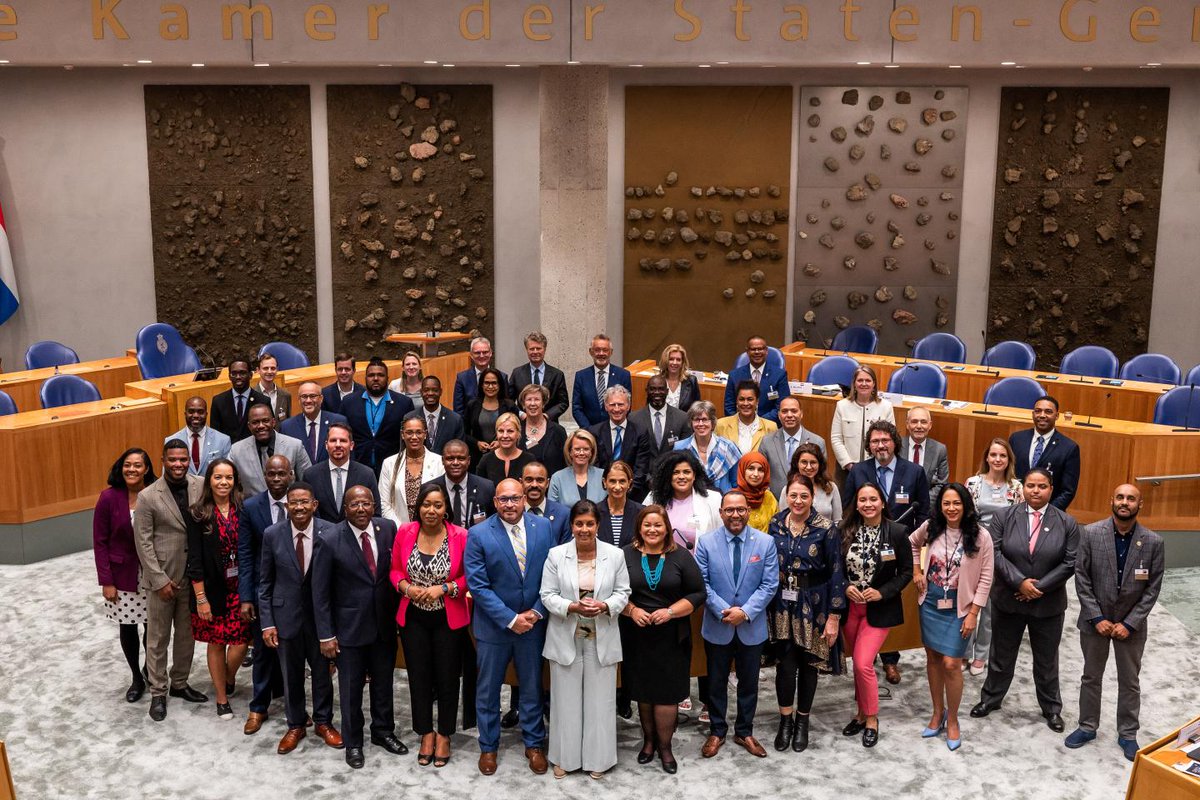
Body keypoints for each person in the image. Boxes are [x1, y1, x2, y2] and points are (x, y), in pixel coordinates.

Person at [971, 468, 1080, 733]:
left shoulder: (1067, 522)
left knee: (1046, 660)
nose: (1036, 490)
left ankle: (1051, 709)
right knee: (1001, 655)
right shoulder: (1004, 516)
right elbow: (994, 553)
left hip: (1047, 603)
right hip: (1009, 599)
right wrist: (1020, 582)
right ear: (1023, 488)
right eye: (1031, 485)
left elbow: (1070, 562)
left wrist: (1037, 587)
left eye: (1042, 486)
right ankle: (991, 699)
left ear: (1051, 489)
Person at [1065, 484, 1165, 761]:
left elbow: (1153, 588)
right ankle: (1087, 726)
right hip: (1095, 622)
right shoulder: (1091, 533)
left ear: (1139, 505)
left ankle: (1128, 733)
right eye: (1120, 497)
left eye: (1131, 499)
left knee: (1130, 681)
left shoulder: (1153, 542)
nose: (1124, 502)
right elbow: (1081, 577)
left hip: (1131, 627)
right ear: (1112, 500)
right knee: (1091, 676)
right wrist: (1096, 617)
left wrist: (1130, 623)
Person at [464, 478, 555, 776]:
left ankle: (534, 743)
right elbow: (478, 586)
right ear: (495, 502)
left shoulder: (543, 528)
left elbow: (552, 576)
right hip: (494, 628)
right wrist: (511, 619)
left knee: (532, 686)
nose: (510, 504)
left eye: (515, 498)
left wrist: (537, 613)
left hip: (533, 625)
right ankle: (489, 746)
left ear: (524, 499)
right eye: (503, 499)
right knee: (488, 690)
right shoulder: (478, 534)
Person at [312, 486, 407, 769]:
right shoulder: (329, 539)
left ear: (374, 505)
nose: (361, 509)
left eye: (366, 503)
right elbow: (320, 593)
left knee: (384, 683)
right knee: (351, 689)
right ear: (345, 508)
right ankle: (354, 742)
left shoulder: (387, 529)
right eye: (354, 504)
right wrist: (326, 634)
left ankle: (383, 731)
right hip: (348, 630)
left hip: (383, 625)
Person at [541, 499, 631, 779]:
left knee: (600, 701)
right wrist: (571, 606)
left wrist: (605, 606)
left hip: (601, 634)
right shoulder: (556, 555)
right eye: (579, 524)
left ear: (598, 525)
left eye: (590, 523)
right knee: (565, 701)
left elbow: (623, 592)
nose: (584, 529)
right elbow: (547, 595)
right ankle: (564, 758)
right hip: (565, 634)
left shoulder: (614, 555)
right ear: (571, 526)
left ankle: (598, 759)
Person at [258, 480, 343, 754]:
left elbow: (338, 582)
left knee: (322, 674)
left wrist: (334, 625)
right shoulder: (272, 534)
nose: (299, 507)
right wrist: (267, 622)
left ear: (314, 504)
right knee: (291, 675)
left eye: (304, 501)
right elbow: (265, 583)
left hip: (321, 620)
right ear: (286, 506)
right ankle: (295, 724)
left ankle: (323, 722)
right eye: (293, 502)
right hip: (286, 618)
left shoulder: (331, 532)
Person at [619, 505, 706, 773]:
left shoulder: (681, 555)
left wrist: (670, 612)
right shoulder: (625, 554)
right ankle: (648, 743)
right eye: (647, 525)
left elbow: (698, 593)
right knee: (644, 693)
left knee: (667, 694)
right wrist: (632, 610)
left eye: (658, 525)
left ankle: (665, 748)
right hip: (636, 635)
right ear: (639, 528)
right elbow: (612, 591)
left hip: (672, 636)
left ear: (667, 528)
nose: (652, 530)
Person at [390, 483, 471, 768]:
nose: (431, 510)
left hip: (448, 618)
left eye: (438, 505)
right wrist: (406, 588)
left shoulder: (461, 535)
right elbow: (394, 570)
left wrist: (445, 588)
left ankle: (445, 734)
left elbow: (469, 576)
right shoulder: (405, 531)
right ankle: (425, 732)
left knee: (448, 677)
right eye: (426, 504)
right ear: (418, 507)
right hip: (413, 618)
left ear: (446, 508)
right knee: (418, 677)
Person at [909, 484, 995, 752]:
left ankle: (954, 719)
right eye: (946, 503)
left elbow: (986, 578)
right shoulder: (932, 527)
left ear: (966, 505)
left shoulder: (981, 536)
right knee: (933, 659)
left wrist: (973, 614)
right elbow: (912, 543)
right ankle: (938, 713)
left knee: (951, 663)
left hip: (961, 607)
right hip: (931, 602)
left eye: (957, 503)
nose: (951, 508)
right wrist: (917, 571)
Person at [696, 490, 779, 759]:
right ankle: (717, 730)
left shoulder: (765, 543)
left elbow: (769, 585)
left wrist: (744, 612)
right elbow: (702, 584)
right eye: (729, 510)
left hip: (751, 627)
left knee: (749, 684)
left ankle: (744, 731)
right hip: (717, 625)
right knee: (715, 683)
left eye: (740, 509)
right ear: (721, 513)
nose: (735, 515)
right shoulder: (706, 543)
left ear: (748, 512)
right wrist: (724, 611)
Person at [767, 473, 845, 753]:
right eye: (793, 495)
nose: (798, 501)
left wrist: (834, 617)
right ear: (786, 496)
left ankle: (802, 721)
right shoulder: (776, 524)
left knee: (809, 665)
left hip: (815, 604)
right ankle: (785, 720)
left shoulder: (826, 529)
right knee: (785, 666)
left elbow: (837, 572)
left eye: (804, 496)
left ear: (813, 498)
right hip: (782, 604)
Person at [133, 439, 206, 722]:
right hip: (162, 579)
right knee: (158, 638)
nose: (178, 464)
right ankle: (158, 692)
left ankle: (180, 683)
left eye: (183, 459)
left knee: (187, 636)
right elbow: (143, 542)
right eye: (173, 459)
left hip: (192, 577)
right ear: (163, 460)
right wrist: (159, 579)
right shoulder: (148, 496)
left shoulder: (200, 485)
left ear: (189, 460)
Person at [838, 482, 912, 747]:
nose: (867, 504)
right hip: (850, 609)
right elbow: (834, 568)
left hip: (879, 609)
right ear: (856, 504)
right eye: (862, 500)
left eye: (873, 499)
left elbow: (906, 572)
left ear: (882, 502)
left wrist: (882, 592)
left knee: (862, 664)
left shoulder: (897, 532)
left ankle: (871, 719)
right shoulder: (844, 530)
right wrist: (845, 586)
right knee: (859, 665)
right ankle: (860, 714)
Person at [185, 458, 250, 720]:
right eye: (218, 477)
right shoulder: (197, 513)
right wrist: (201, 599)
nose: (224, 482)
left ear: (235, 481)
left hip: (241, 587)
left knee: (241, 643)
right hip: (212, 590)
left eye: (229, 477)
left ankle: (228, 677)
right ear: (209, 480)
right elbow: (195, 560)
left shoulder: (244, 507)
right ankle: (222, 699)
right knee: (216, 643)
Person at [94, 447, 156, 703]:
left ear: (146, 469)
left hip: (153, 573)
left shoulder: (155, 493)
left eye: (137, 465)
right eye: (127, 465)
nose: (132, 469)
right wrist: (106, 581)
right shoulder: (108, 497)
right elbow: (100, 542)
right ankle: (136, 677)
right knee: (128, 626)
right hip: (122, 576)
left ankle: (150, 669)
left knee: (154, 626)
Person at [236, 455, 292, 735]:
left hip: (295, 593)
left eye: (282, 473)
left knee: (293, 653)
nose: (277, 479)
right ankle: (258, 707)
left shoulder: (300, 502)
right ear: (265, 476)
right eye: (272, 474)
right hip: (264, 592)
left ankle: (294, 708)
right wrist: (246, 597)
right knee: (262, 651)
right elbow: (245, 555)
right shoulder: (251, 507)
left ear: (291, 475)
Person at [963, 438, 1023, 675]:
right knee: (967, 601)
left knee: (989, 605)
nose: (998, 459)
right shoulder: (973, 483)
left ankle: (981, 654)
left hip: (1000, 550)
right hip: (973, 547)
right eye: (994, 455)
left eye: (1002, 456)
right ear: (987, 458)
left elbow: (1019, 522)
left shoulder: (1016, 488)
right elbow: (964, 516)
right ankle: (964, 651)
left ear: (1009, 460)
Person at [843, 420, 931, 532]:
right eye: (875, 441)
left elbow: (923, 513)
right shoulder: (857, 471)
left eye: (885, 440)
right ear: (869, 445)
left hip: (903, 536)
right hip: (865, 536)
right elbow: (848, 509)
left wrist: (915, 539)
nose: (880, 446)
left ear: (895, 442)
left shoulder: (915, 472)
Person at [341, 357, 415, 476]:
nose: (376, 378)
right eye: (371, 375)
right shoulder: (349, 402)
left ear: (387, 378)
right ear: (365, 378)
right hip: (357, 467)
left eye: (380, 375)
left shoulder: (404, 403)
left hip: (392, 468)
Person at [1010, 395, 1081, 510]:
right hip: (1015, 509)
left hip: (1049, 512)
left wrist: (1046, 513)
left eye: (1048, 412)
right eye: (1038, 411)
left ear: (1057, 416)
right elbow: (1007, 476)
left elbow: (1068, 491)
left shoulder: (1069, 448)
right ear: (1033, 414)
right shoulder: (1016, 439)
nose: (1042, 415)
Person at [303, 422, 381, 525]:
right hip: (322, 533)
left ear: (351, 445)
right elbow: (309, 512)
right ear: (326, 445)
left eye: (343, 441)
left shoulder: (366, 474)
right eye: (333, 440)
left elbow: (375, 513)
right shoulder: (311, 475)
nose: (338, 445)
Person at [228, 404, 311, 496]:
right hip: (253, 504)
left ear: (273, 422)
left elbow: (308, 481)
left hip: (287, 504)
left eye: (265, 421)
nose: (261, 426)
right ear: (249, 426)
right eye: (255, 422)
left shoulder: (295, 446)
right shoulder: (236, 451)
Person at [588, 385, 652, 498]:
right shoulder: (595, 432)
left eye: (621, 404)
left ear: (628, 406)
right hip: (601, 493)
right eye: (612, 405)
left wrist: (624, 492)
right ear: (606, 406)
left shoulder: (640, 432)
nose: (617, 409)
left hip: (632, 494)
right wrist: (607, 490)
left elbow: (641, 469)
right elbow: (595, 467)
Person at [379, 415, 445, 525]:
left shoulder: (439, 462)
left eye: (419, 432)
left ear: (425, 434)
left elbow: (443, 501)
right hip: (399, 528)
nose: (414, 437)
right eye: (409, 432)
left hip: (432, 527)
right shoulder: (389, 463)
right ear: (402, 434)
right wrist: (402, 529)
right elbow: (384, 503)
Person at [830, 365, 895, 475]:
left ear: (874, 384)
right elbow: (836, 438)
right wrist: (848, 464)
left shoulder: (886, 406)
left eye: (868, 380)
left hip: (877, 467)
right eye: (860, 380)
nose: (864, 384)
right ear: (854, 384)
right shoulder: (842, 406)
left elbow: (891, 439)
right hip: (847, 468)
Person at [761, 396, 826, 499]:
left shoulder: (817, 442)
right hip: (775, 503)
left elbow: (822, 476)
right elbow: (762, 474)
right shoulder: (767, 441)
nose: (789, 415)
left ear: (801, 414)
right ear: (779, 415)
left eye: (794, 411)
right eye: (784, 411)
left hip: (807, 502)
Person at [674, 400, 742, 493]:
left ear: (712, 422)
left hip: (723, 499)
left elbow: (736, 483)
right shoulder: (680, 448)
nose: (701, 424)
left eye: (705, 419)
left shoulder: (728, 447)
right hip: (692, 499)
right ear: (691, 423)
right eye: (696, 420)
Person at [429, 439, 496, 528]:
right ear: (442, 460)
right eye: (450, 458)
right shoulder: (430, 489)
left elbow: (494, 523)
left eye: (461, 458)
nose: (455, 463)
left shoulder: (486, 487)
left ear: (468, 460)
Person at [723, 335, 791, 424]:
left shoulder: (779, 375)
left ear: (766, 351)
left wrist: (759, 423)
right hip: (740, 426)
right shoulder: (734, 375)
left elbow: (782, 406)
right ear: (747, 352)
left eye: (760, 349)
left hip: (769, 426)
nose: (757, 352)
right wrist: (741, 423)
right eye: (753, 349)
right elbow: (729, 407)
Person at [279, 381, 348, 465]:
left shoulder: (338, 421)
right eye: (304, 396)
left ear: (321, 398)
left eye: (312, 396)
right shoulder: (287, 427)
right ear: (299, 400)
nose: (308, 400)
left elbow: (347, 456)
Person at [572, 333, 631, 429]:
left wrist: (613, 427)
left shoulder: (623, 375)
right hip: (589, 431)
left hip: (614, 430)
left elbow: (627, 405)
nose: (601, 353)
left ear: (611, 352)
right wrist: (589, 430)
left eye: (605, 350)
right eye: (597, 350)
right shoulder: (581, 376)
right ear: (591, 352)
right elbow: (577, 408)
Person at [508, 331, 569, 423]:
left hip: (549, 424)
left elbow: (563, 402)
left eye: (538, 348)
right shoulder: (517, 373)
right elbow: (509, 400)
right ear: (527, 350)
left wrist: (547, 415)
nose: (535, 352)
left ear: (544, 349)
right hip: (523, 424)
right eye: (532, 349)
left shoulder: (557, 374)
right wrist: (520, 414)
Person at [464, 367, 520, 468]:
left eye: (494, 383)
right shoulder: (472, 405)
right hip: (477, 458)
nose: (490, 386)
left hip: (504, 457)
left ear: (500, 385)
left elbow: (518, 431)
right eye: (487, 383)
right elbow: (464, 432)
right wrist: (477, 443)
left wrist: (500, 442)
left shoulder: (509, 405)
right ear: (481, 385)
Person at [209, 358, 271, 442]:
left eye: (242, 373)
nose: (238, 377)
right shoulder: (218, 401)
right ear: (229, 376)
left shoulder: (263, 401)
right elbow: (215, 434)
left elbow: (269, 430)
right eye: (234, 374)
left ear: (250, 375)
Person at [632, 374, 692, 460]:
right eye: (652, 389)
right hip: (644, 468)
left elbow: (685, 453)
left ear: (667, 391)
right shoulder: (634, 419)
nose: (657, 392)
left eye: (661, 389)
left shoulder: (682, 418)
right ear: (647, 391)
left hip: (671, 467)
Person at [166, 396, 231, 476]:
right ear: (185, 414)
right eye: (191, 411)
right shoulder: (171, 440)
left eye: (200, 412)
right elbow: (167, 475)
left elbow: (228, 473)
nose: (196, 415)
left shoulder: (223, 440)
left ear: (206, 414)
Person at [901, 407, 948, 504]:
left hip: (927, 505)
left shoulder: (939, 449)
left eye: (923, 422)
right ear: (907, 424)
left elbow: (942, 484)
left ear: (930, 425)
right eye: (914, 422)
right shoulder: (897, 446)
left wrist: (922, 502)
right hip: (899, 504)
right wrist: (903, 501)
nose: (919, 426)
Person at [717, 381, 779, 455]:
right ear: (736, 401)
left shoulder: (770, 427)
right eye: (741, 399)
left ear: (757, 401)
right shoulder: (721, 425)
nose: (745, 403)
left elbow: (774, 457)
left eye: (750, 399)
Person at [453, 335, 509, 416]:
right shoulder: (462, 379)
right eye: (477, 353)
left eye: (485, 352)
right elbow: (458, 411)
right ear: (471, 355)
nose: (482, 356)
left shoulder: (502, 377)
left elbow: (506, 406)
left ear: (490, 353)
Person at [518, 383, 567, 475]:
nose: (533, 403)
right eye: (529, 399)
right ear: (523, 404)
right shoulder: (516, 430)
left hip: (552, 482)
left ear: (543, 403)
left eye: (537, 399)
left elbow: (566, 462)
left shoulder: (558, 431)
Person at [788, 442, 842, 525]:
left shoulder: (831, 487)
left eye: (813, 462)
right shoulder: (788, 489)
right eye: (804, 462)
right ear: (797, 464)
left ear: (820, 464)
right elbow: (784, 520)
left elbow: (837, 522)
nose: (809, 467)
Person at [549, 429, 605, 505]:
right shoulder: (557, 478)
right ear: (570, 452)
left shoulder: (603, 476)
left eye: (586, 449)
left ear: (591, 452)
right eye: (577, 449)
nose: (581, 453)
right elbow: (553, 508)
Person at [477, 412, 534, 485]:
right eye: (501, 431)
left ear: (518, 433)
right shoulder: (486, 460)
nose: (505, 435)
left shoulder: (529, 460)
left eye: (510, 431)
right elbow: (480, 488)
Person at [522, 461, 571, 544]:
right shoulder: (514, 512)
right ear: (521, 482)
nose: (534, 485)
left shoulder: (564, 514)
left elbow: (566, 548)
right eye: (529, 480)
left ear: (547, 483)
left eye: (540, 480)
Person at [597, 461, 643, 549]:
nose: (617, 487)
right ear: (604, 482)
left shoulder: (641, 512)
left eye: (622, 481)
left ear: (629, 483)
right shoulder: (594, 512)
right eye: (612, 481)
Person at [416, 376, 465, 456]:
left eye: (435, 390)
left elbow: (460, 449)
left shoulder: (455, 419)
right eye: (426, 390)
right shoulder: (411, 418)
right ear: (421, 392)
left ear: (441, 392)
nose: (430, 393)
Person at [737, 452, 777, 532]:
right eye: (751, 468)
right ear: (743, 470)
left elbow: (776, 527)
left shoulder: (769, 497)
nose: (756, 474)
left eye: (760, 470)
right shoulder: (733, 498)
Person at [658, 343, 700, 412]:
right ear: (665, 360)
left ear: (682, 362)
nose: (674, 363)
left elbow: (697, 409)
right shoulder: (657, 381)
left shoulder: (691, 381)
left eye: (678, 360)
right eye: (671, 359)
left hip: (685, 418)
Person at [255, 351, 291, 421]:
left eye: (273, 368)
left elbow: (287, 422)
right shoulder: (251, 396)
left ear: (277, 370)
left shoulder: (286, 395)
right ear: (258, 370)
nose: (269, 372)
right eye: (265, 368)